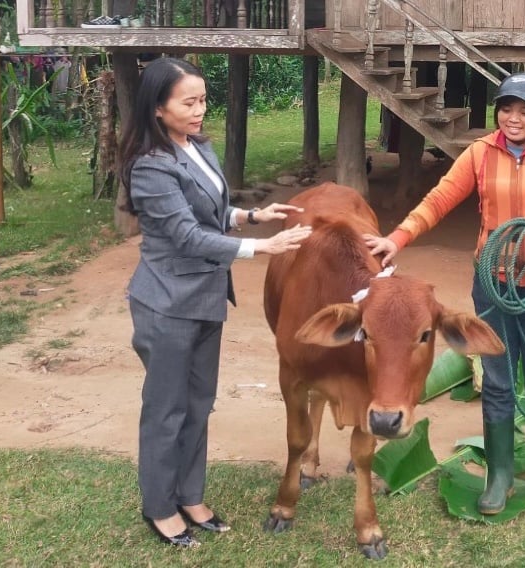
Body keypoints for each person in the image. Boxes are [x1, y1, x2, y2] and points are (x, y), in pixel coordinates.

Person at [365, 72, 525, 515]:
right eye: (507, 109)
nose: (514, 118)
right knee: (497, 381)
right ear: (497, 112)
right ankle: (500, 475)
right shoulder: (479, 153)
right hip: (493, 287)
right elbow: (439, 199)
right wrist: (396, 239)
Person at [118, 56, 311, 547]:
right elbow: (184, 234)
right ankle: (159, 507)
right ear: (159, 108)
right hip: (166, 304)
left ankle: (191, 494)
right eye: (189, 102)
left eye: (203, 99)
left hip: (205, 299)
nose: (201, 109)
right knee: (167, 408)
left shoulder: (197, 147)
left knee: (199, 403)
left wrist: (252, 215)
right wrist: (262, 248)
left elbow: (210, 211)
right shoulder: (149, 166)